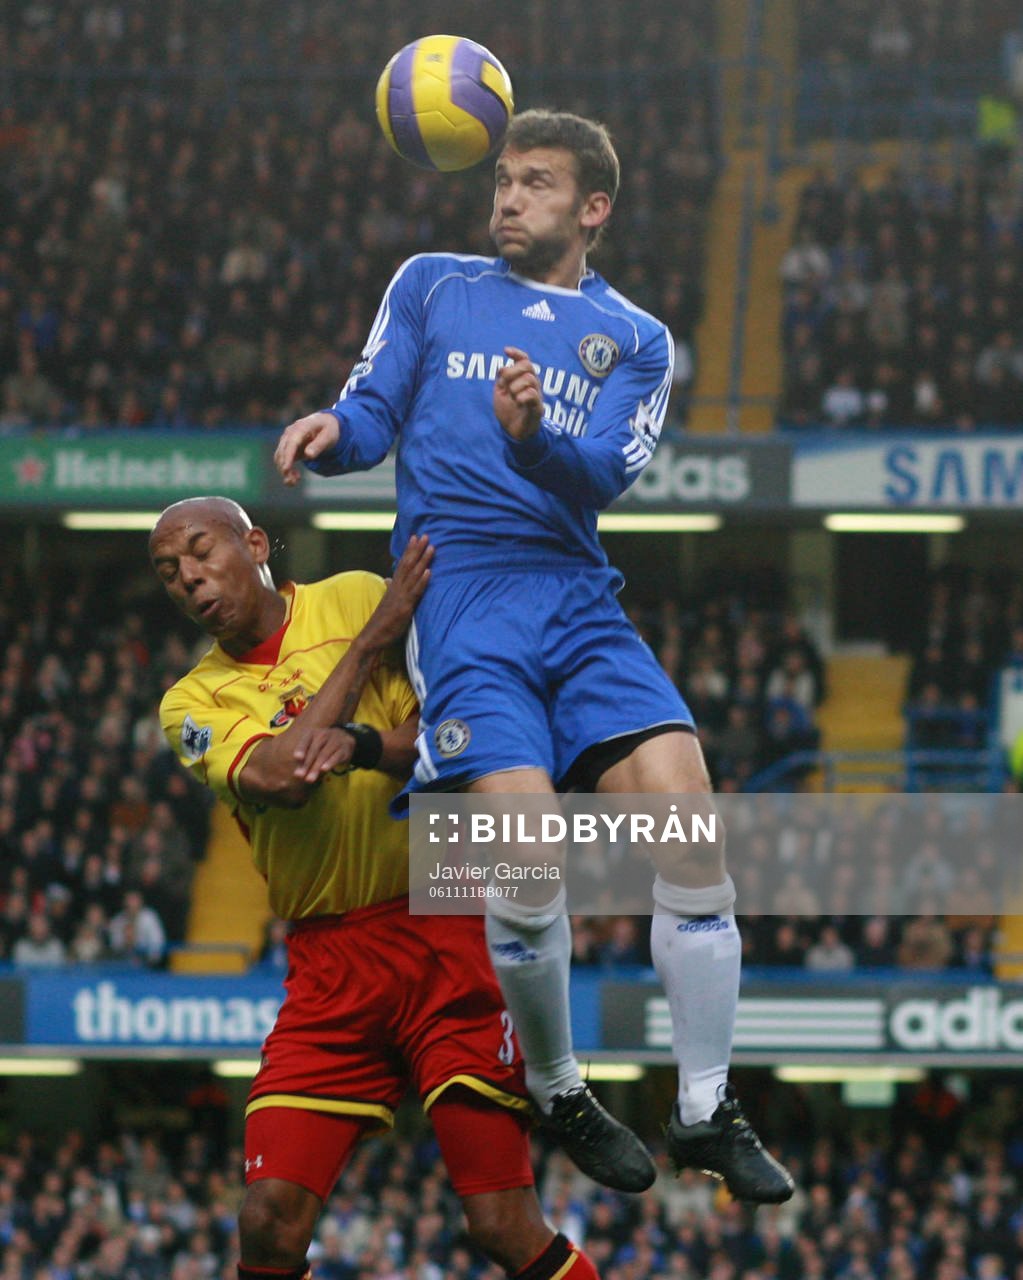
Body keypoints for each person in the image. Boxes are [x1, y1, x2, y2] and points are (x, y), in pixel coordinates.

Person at [274, 109, 793, 1203]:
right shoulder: (431, 285)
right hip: (461, 597)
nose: (507, 197)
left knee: (693, 836)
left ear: (592, 208)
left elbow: (603, 475)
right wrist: (334, 430)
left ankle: (704, 1106)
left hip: (576, 598)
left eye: (537, 183)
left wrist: (533, 438)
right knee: (526, 858)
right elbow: (375, 408)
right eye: (503, 179)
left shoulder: (637, 338)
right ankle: (560, 1085)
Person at [151, 497, 602, 1280]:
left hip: (444, 929)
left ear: (254, 544)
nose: (189, 578)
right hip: (328, 964)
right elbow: (282, 776)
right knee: (267, 1224)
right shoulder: (192, 702)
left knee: (500, 1224)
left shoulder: (355, 593)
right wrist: (368, 649)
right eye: (169, 573)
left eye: (200, 552)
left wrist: (357, 744)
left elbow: (448, 740)